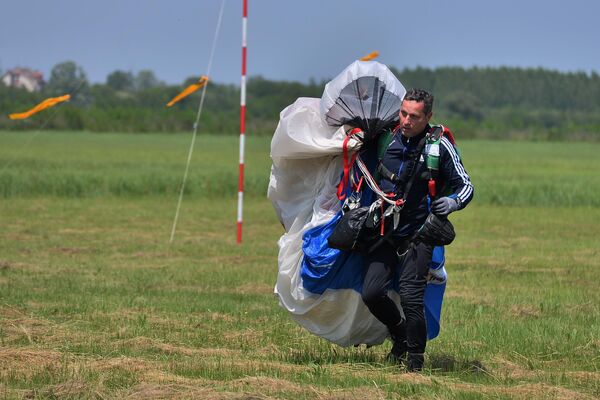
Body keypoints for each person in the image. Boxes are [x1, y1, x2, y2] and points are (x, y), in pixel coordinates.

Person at [360, 88, 474, 371]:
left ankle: (414, 364)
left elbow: (466, 186)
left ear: (428, 117)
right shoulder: (386, 138)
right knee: (371, 293)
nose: (407, 121)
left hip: (419, 235)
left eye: (414, 116)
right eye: (403, 113)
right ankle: (398, 333)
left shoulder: (439, 147)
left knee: (412, 298)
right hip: (385, 230)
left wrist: (453, 201)